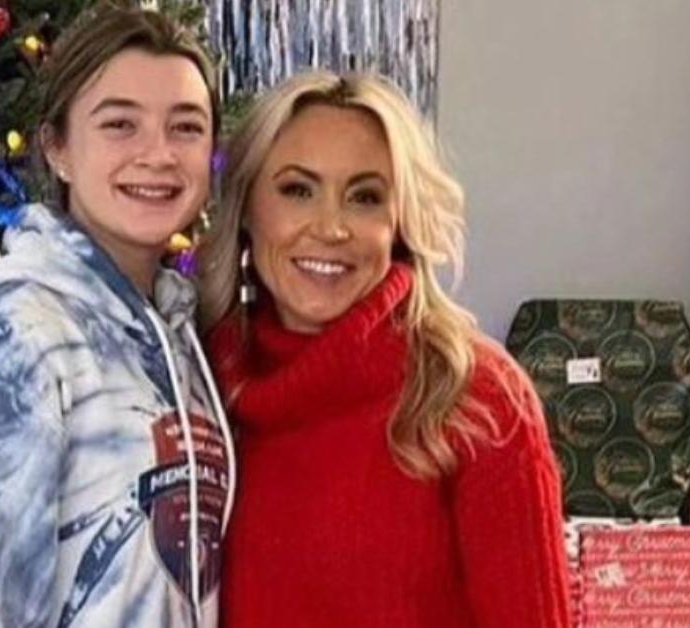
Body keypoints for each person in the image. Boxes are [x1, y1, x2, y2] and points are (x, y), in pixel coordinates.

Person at [200, 71, 570, 627]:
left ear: (398, 223)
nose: (330, 227)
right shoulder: (197, 383)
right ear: (248, 208)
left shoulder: (477, 395)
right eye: (298, 189)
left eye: (365, 198)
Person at [0, 4, 236, 627]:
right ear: (57, 148)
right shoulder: (23, 340)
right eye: (120, 124)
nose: (158, 155)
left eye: (186, 127)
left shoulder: (182, 339)